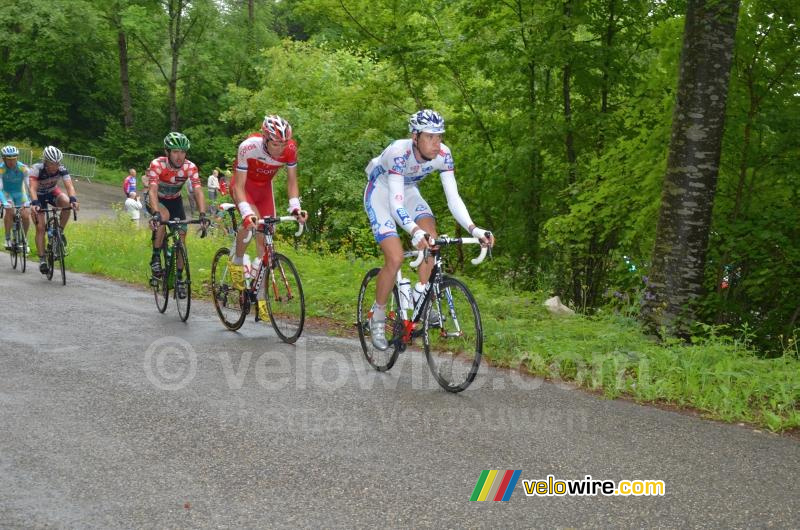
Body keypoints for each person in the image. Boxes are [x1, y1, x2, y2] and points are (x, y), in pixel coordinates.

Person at [363, 109, 494, 350]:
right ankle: (378, 317)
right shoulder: (398, 153)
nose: (436, 143)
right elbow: (395, 203)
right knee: (395, 257)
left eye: (439, 136)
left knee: (432, 239)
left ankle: (421, 294)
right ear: (415, 137)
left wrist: (474, 229)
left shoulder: (443, 155)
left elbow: (453, 199)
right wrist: (414, 231)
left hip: (409, 191)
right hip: (381, 194)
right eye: (430, 137)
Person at [231, 115, 307, 319]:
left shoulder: (290, 149)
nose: (280, 148)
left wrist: (295, 208)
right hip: (244, 189)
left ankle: (260, 295)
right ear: (265, 138)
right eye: (275, 143)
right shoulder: (248, 147)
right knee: (251, 224)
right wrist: (246, 213)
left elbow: (292, 182)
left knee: (266, 243)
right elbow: (238, 186)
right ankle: (237, 261)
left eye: (284, 143)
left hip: (264, 191)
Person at [146, 132, 208, 299]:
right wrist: (156, 214)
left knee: (181, 236)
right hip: (156, 199)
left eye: (182, 152)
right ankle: (155, 258)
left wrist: (202, 214)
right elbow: (152, 190)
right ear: (167, 152)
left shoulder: (190, 167)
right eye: (175, 152)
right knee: (163, 216)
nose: (179, 156)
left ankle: (179, 279)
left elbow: (198, 191)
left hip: (175, 200)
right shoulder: (157, 164)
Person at [29, 146, 80, 274]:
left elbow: (69, 186)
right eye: (52, 163)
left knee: (66, 202)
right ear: (45, 162)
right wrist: (35, 203)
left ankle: (59, 231)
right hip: (38, 196)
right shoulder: (37, 169)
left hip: (52, 191)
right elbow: (32, 189)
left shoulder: (62, 169)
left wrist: (73, 200)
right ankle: (42, 259)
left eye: (57, 163)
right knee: (40, 228)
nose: (55, 166)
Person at [0, 145, 32, 252]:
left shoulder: (23, 168)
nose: (11, 162)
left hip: (20, 193)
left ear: (17, 158)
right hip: (7, 193)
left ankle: (24, 239)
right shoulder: (1, 169)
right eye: (8, 160)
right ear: (3, 159)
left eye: (13, 159)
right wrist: (3, 201)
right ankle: (8, 238)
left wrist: (31, 200)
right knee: (9, 210)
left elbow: (29, 186)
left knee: (26, 215)